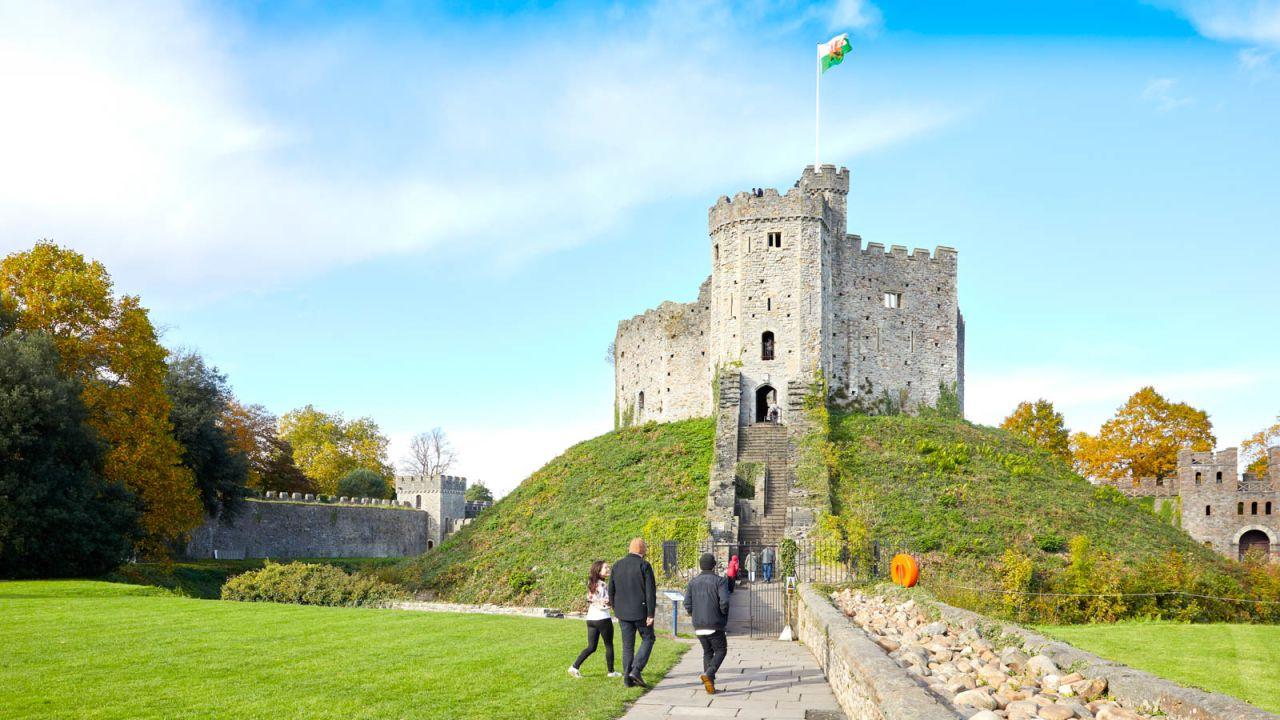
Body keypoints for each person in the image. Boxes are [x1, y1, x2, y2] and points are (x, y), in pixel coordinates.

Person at [609, 537, 657, 688]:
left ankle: (627, 680)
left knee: (627, 646)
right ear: (643, 550)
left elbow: (611, 590)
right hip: (641, 611)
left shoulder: (617, 565)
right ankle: (636, 670)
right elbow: (650, 592)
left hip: (623, 612)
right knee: (648, 638)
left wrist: (616, 608)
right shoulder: (644, 565)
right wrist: (650, 614)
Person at [683, 552, 730, 695]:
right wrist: (722, 614)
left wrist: (694, 614)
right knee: (721, 650)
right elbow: (725, 602)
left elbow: (687, 603)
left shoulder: (692, 582)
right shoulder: (720, 581)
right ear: (714, 565)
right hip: (714, 623)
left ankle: (710, 685)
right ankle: (709, 674)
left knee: (707, 652)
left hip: (698, 625)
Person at [568, 560, 622, 679]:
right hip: (603, 619)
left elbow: (590, 599)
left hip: (591, 619)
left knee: (591, 647)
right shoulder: (603, 585)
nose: (608, 569)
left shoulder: (592, 583)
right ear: (599, 571)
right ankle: (611, 672)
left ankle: (574, 667)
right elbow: (605, 603)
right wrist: (613, 604)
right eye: (606, 568)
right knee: (609, 645)